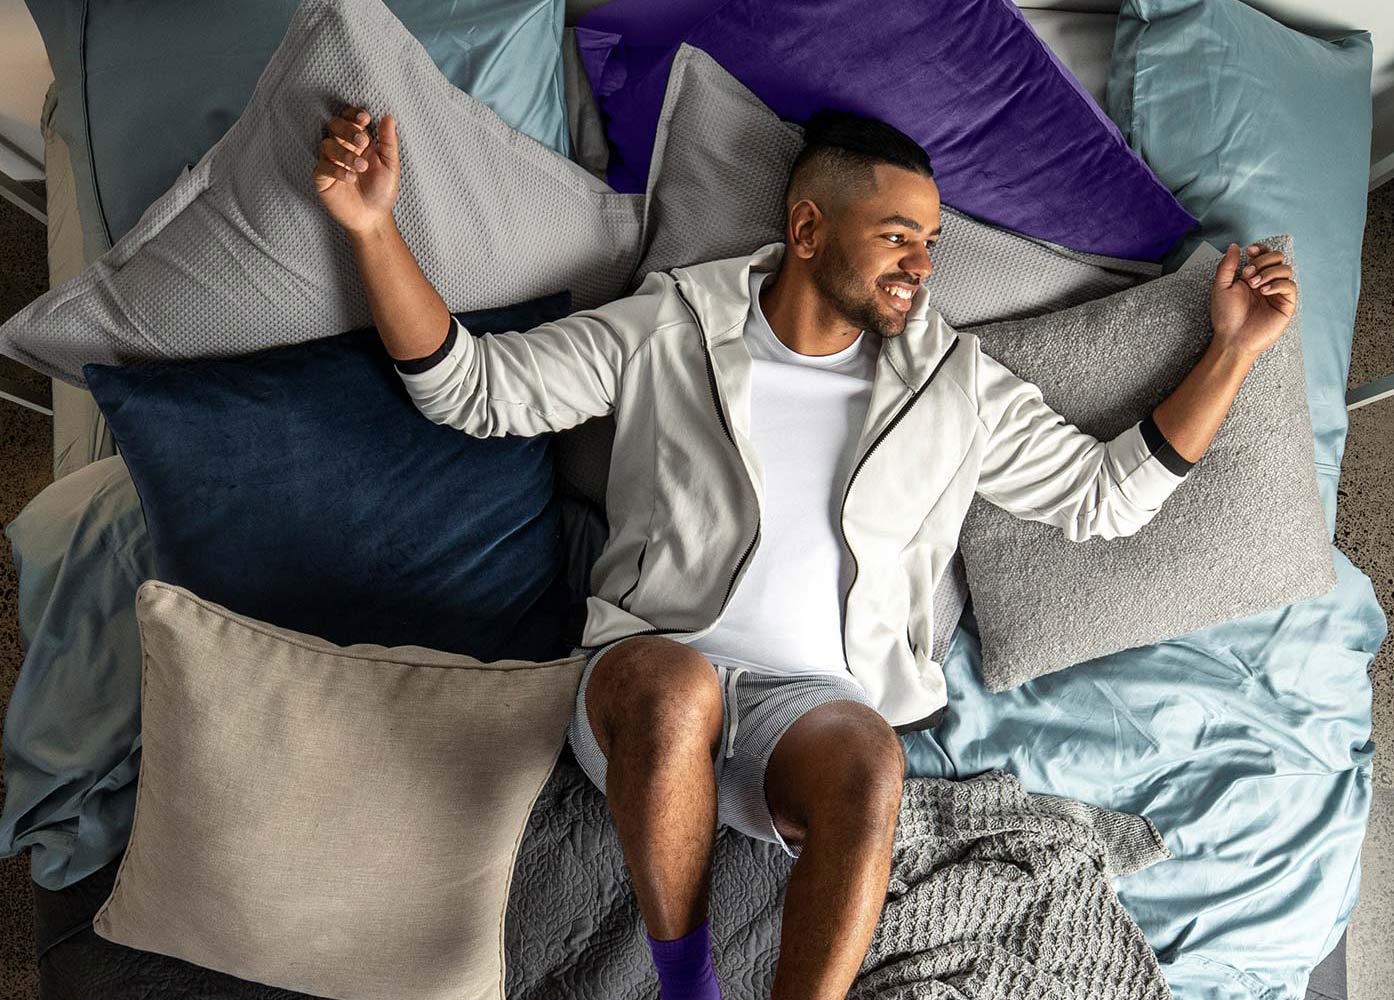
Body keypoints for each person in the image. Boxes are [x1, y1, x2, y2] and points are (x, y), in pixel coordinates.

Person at [312, 105, 1294, 1000]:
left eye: (932, 243)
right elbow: (473, 389)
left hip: (810, 714)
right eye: (897, 236)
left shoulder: (955, 383)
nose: (922, 264)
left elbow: (1103, 498)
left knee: (873, 761)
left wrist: (1233, 352)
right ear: (810, 228)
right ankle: (687, 985)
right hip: (645, 680)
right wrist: (370, 227)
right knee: (675, 689)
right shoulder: (671, 325)